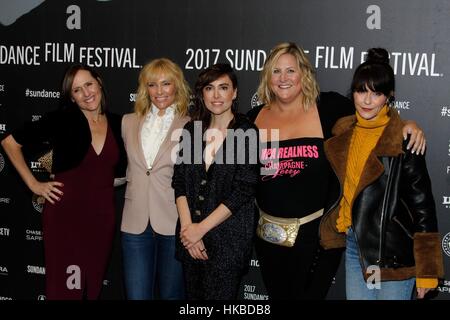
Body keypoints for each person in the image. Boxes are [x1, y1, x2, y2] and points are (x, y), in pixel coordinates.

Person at [246, 42, 426, 300]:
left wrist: (407, 124)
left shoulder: (328, 107)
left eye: (291, 71)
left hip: (317, 241)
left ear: (304, 74)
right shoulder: (252, 118)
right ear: (267, 76)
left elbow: (373, 111)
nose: (283, 78)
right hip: (267, 240)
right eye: (276, 71)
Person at [320, 48, 444, 300]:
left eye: (376, 93)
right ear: (352, 92)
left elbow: (423, 208)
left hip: (394, 254)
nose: (366, 100)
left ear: (388, 97)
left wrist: (428, 271)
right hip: (357, 247)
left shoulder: (403, 139)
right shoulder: (342, 133)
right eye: (360, 91)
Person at [1, 64, 127, 299]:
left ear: (99, 82)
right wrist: (33, 184)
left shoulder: (119, 123)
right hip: (66, 218)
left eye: (89, 84)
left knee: (92, 289)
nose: (86, 93)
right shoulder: (62, 119)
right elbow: (10, 142)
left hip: (102, 218)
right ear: (71, 96)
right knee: (67, 290)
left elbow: (122, 172)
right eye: (77, 90)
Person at [172, 63, 259, 299]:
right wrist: (189, 232)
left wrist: (200, 230)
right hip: (190, 241)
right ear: (202, 93)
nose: (216, 95)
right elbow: (179, 182)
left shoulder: (244, 132)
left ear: (235, 92)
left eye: (223, 87)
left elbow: (243, 189)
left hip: (227, 243)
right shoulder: (192, 129)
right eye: (210, 88)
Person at [120, 58, 190, 300]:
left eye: (166, 83)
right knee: (137, 296)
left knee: (172, 296)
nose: (159, 91)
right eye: (152, 85)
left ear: (177, 86)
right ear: (144, 88)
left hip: (174, 222)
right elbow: (119, 168)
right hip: (134, 222)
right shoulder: (127, 122)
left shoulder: (191, 126)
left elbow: (193, 179)